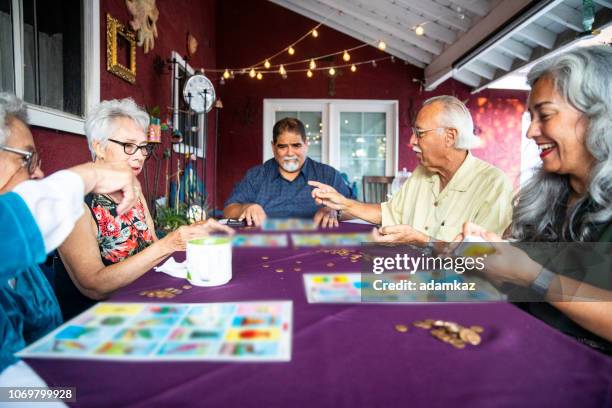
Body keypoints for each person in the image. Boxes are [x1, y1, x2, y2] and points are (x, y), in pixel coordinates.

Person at [454, 45, 612, 353]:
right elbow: (516, 286)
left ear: (600, 116)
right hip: (517, 348)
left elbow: (532, 279)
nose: (530, 132)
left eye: (545, 115)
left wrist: (533, 275)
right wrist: (486, 259)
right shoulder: (545, 196)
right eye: (530, 117)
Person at [0, 92, 141, 389]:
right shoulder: (71, 210)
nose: (39, 173)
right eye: (27, 159)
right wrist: (79, 395)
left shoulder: (24, 266)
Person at [55, 98, 233, 319]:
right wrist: (170, 243)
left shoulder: (132, 191)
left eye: (143, 147)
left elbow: (151, 247)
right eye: (129, 146)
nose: (140, 155)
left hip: (146, 300)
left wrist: (192, 232)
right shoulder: (74, 203)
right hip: (101, 321)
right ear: (99, 147)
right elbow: (94, 286)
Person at [310, 96, 513, 245]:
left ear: (450, 137)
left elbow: (484, 259)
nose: (412, 141)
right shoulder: (422, 172)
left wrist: (423, 241)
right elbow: (389, 213)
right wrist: (343, 203)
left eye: (420, 133)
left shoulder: (493, 183)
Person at [223, 117, 354, 227]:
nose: (290, 153)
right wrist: (246, 207)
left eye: (296, 145)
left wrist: (336, 211)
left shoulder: (328, 175)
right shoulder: (256, 175)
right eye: (282, 146)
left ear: (306, 145)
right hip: (267, 245)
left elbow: (355, 210)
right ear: (273, 147)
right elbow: (229, 210)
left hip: (318, 245)